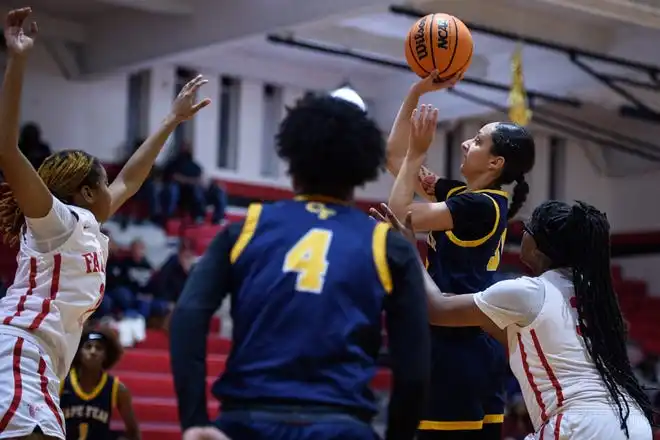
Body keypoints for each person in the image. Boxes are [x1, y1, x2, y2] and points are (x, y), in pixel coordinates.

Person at [0, 7, 210, 440]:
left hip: (40, 358)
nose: (114, 189)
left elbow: (132, 177)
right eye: (103, 182)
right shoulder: (56, 220)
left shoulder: (84, 225)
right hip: (19, 349)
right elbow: (6, 150)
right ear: (87, 193)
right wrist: (18, 60)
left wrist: (170, 121)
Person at [169, 94, 431, 440]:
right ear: (362, 170)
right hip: (341, 424)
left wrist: (195, 421)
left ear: (291, 162)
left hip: (247, 420)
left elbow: (187, 315)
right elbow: (414, 365)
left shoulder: (245, 229)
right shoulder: (387, 245)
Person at [374, 201, 655, 440]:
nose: (522, 234)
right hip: (632, 424)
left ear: (540, 247)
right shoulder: (593, 298)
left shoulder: (527, 292)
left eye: (528, 229)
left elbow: (437, 309)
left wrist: (409, 252)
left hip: (579, 425)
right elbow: (474, 315)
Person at [385, 71, 535, 440]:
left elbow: (399, 214)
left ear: (495, 163)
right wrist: (415, 93)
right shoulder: (467, 198)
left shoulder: (476, 206)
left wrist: (417, 153)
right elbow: (394, 158)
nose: (467, 144)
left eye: (479, 140)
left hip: (455, 348)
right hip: (468, 346)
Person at [60, 326, 139, 440]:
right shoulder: (62, 382)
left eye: (99, 348)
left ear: (106, 355)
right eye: (88, 347)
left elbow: (133, 431)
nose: (93, 351)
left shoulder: (117, 389)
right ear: (78, 352)